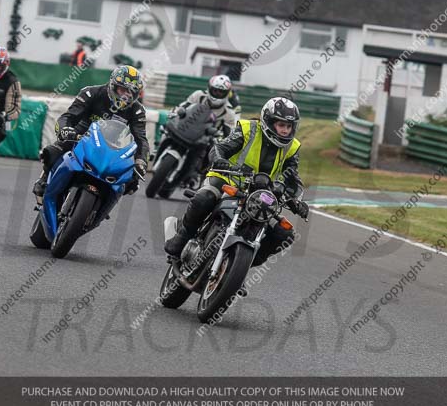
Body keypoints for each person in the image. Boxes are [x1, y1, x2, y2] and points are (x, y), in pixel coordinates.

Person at [164, 97, 309, 267]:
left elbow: (293, 178)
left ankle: (240, 268)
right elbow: (219, 148)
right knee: (204, 198)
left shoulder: (292, 147)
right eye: (281, 125)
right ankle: (183, 236)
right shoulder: (249, 129)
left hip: (260, 194)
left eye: (289, 126)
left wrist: (297, 200)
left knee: (284, 233)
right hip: (227, 179)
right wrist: (219, 160)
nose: (285, 131)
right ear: (268, 121)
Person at [32, 65, 149, 197]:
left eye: (131, 92)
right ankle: (44, 178)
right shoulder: (91, 93)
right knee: (55, 150)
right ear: (113, 85)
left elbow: (141, 139)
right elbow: (68, 117)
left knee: (132, 181)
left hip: (113, 147)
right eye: (123, 90)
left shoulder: (137, 110)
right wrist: (65, 130)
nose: (126, 96)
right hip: (81, 136)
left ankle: (105, 203)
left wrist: (141, 161)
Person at [172, 75, 238, 178]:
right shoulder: (199, 95)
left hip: (207, 137)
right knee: (168, 128)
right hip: (187, 127)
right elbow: (183, 106)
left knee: (213, 151)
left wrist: (220, 137)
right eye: (215, 91)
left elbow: (228, 134)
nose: (218, 94)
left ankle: (202, 173)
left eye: (221, 92)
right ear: (210, 88)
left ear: (227, 93)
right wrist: (177, 112)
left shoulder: (229, 111)